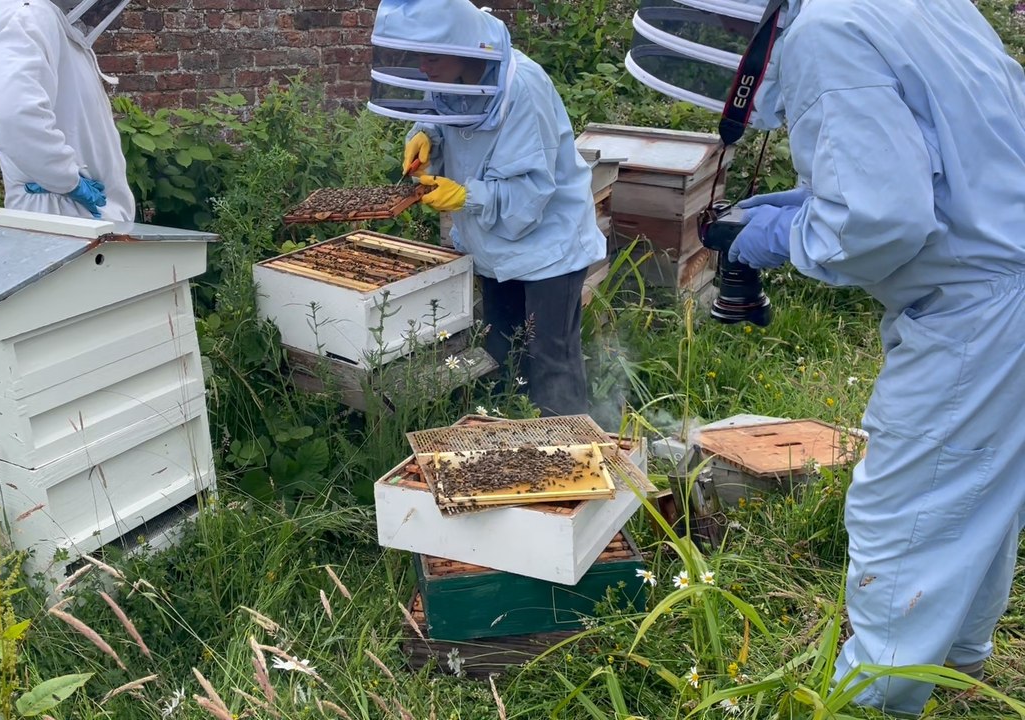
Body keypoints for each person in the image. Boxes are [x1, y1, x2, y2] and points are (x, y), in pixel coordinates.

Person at [631, 0, 1025, 714]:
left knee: (907, 503)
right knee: (977, 483)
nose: (727, 40)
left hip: (979, 305)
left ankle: (872, 698)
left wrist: (782, 236)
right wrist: (810, 202)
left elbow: (882, 223)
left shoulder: (825, 33)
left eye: (727, 28)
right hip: (1001, 279)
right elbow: (941, 156)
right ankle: (957, 662)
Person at [366, 0, 606, 417]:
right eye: (418, 56)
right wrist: (427, 138)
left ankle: (570, 445)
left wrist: (466, 196)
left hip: (549, 246)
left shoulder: (523, 88)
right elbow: (444, 117)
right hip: (493, 245)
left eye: (432, 57)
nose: (423, 66)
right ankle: (510, 438)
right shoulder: (449, 75)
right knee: (502, 352)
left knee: (551, 360)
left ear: (461, 45)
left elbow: (532, 193)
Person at [0, 0, 136, 222]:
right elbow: (12, 114)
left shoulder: (43, 19)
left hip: (73, 215)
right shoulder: (27, 15)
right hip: (62, 213)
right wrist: (67, 179)